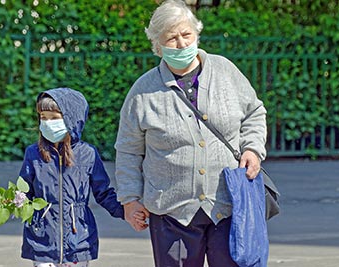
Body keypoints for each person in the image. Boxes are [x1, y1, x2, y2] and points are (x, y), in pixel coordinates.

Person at [114, 0, 267, 266]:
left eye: (187, 34)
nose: (182, 44)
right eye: (171, 38)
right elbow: (128, 149)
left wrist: (253, 148)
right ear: (157, 46)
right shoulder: (143, 91)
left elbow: (254, 112)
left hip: (228, 207)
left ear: (197, 34)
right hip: (171, 213)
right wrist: (129, 199)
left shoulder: (225, 72)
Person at [18, 87, 138, 267]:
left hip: (78, 239)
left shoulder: (88, 154)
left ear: (71, 119)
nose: (47, 123)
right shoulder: (33, 153)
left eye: (54, 118)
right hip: (42, 238)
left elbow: (103, 192)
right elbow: (24, 190)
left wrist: (126, 212)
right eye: (43, 117)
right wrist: (15, 202)